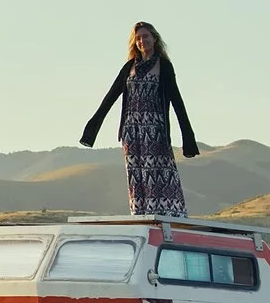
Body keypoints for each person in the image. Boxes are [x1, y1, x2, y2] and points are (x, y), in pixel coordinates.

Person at [78, 21, 199, 216]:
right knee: (136, 174)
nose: (143, 41)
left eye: (146, 37)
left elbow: (177, 100)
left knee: (159, 171)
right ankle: (141, 213)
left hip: (155, 129)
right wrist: (92, 127)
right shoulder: (129, 67)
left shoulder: (164, 66)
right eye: (139, 38)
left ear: (154, 39)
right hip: (131, 131)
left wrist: (188, 136)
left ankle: (169, 213)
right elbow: (111, 96)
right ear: (135, 43)